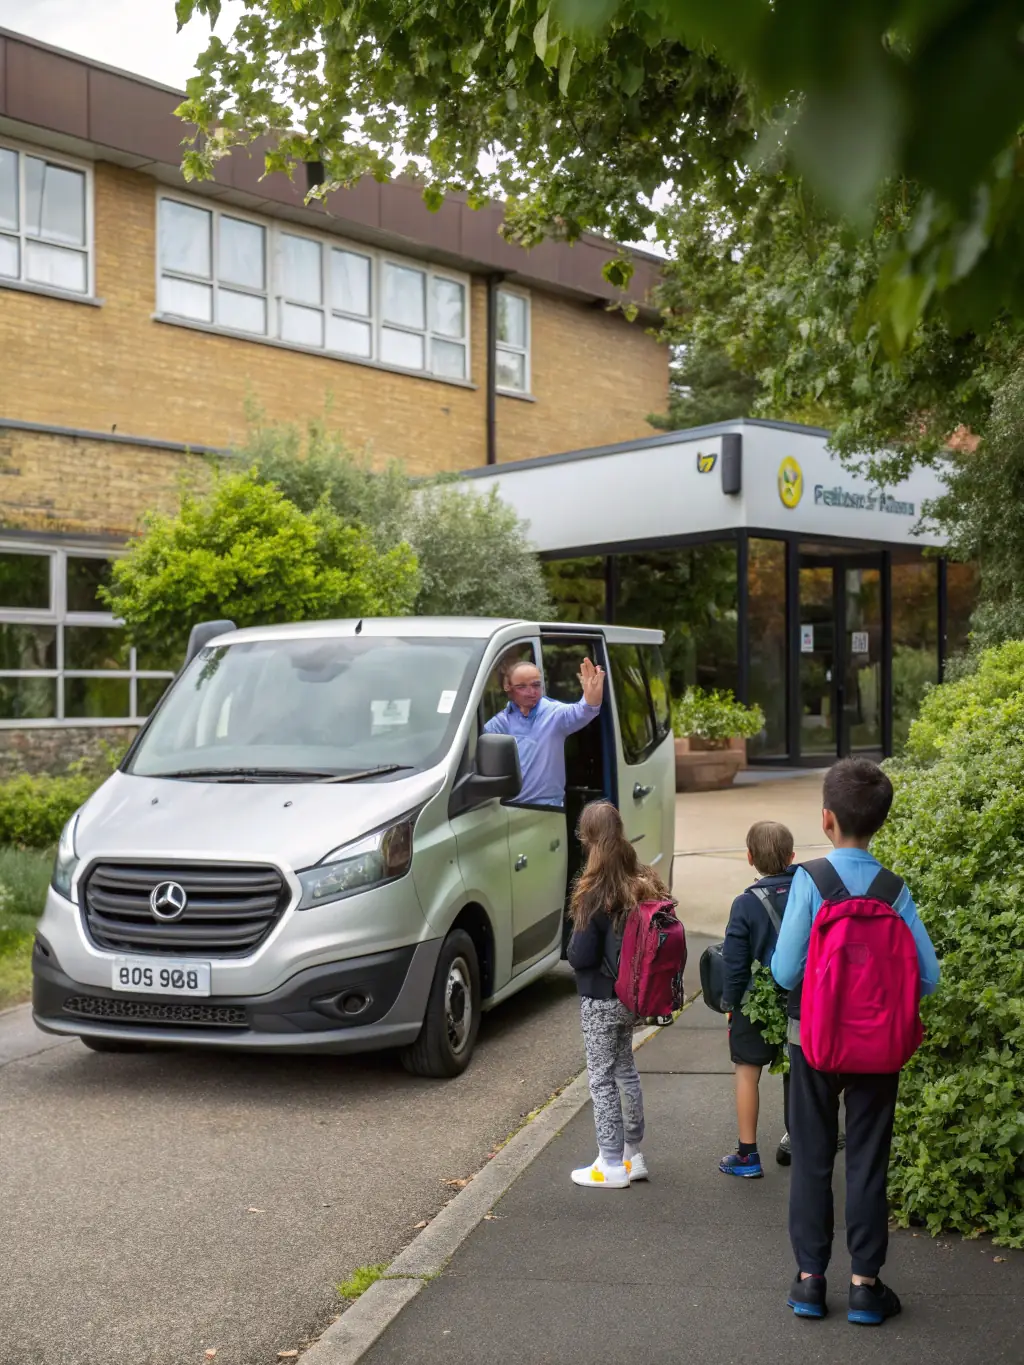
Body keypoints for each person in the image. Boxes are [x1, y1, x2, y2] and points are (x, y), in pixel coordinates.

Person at [772, 758, 940, 1326]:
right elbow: (929, 976)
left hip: (813, 1043)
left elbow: (786, 972)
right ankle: (866, 1286)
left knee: (814, 1159)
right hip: (877, 1049)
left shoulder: (810, 881)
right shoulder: (894, 890)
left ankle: (810, 1282)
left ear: (826, 820)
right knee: (868, 1161)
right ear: (880, 823)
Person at [565, 800, 672, 1189]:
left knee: (601, 1079)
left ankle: (609, 1165)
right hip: (634, 997)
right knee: (626, 1069)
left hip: (600, 1001)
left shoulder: (594, 889)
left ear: (588, 839)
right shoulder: (643, 878)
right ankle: (633, 1154)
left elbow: (580, 956)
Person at [718, 820, 796, 1179]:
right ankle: (799, 1140)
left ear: (749, 858)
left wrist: (730, 1005)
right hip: (801, 997)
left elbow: (735, 964)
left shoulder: (745, 904)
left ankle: (748, 1156)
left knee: (747, 1074)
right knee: (797, 1069)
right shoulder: (808, 892)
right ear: (792, 856)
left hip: (756, 1001)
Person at [483, 656, 604, 807]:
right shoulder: (500, 723)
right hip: (509, 810)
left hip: (546, 810)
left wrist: (592, 700)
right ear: (508, 687)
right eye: (522, 687)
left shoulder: (553, 713)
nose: (531, 692)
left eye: (536, 685)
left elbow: (582, 712)